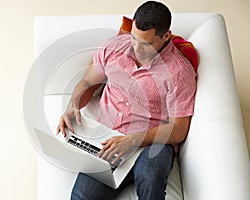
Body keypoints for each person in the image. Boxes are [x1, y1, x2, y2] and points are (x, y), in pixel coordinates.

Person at [57, 1, 197, 199]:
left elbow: (179, 128)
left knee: (150, 180)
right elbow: (88, 81)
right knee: (81, 197)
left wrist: (133, 140)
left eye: (146, 43)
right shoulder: (113, 48)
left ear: (166, 36)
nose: (136, 49)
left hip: (152, 145)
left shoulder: (179, 72)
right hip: (109, 140)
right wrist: (73, 105)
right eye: (133, 38)